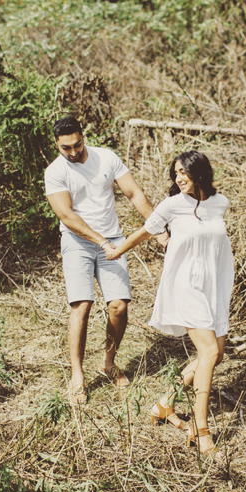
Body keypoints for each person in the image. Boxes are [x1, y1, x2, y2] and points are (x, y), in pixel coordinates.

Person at [106, 150, 232, 458]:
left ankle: (164, 404)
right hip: (186, 285)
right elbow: (145, 231)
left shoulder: (220, 203)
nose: (179, 177)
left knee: (216, 355)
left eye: (183, 172)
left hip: (215, 286)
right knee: (208, 352)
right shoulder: (173, 205)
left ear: (199, 172)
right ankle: (201, 430)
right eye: (175, 173)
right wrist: (117, 251)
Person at [45, 116, 169, 405]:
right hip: (77, 241)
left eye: (77, 145)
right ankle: (77, 375)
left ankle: (109, 362)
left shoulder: (107, 158)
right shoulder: (55, 171)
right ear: (56, 145)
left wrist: (159, 229)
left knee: (119, 306)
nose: (73, 152)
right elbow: (66, 215)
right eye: (66, 148)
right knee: (82, 305)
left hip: (112, 238)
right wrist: (101, 242)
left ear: (83, 136)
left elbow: (133, 193)